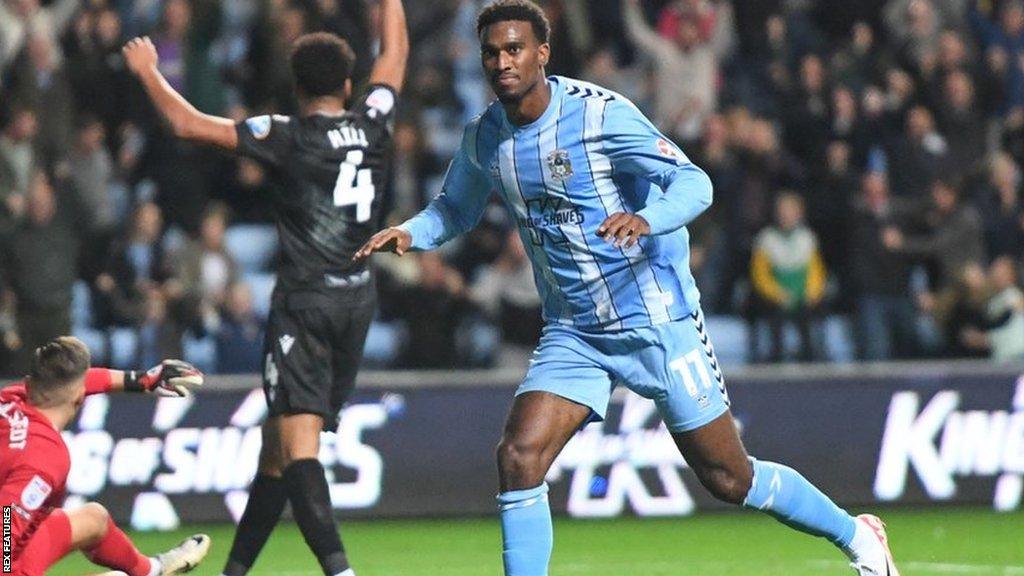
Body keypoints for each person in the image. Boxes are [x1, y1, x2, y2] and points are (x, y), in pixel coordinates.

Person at [355, 2, 900, 575]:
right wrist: (411, 232)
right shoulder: (484, 138)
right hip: (575, 331)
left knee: (728, 477)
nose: (501, 62)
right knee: (519, 457)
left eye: (514, 49)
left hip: (655, 320)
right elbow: (454, 209)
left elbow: (694, 181)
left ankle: (858, 536)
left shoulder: (599, 116)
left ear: (542, 53)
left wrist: (649, 218)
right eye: (491, 52)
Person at [122, 0, 409, 573]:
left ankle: (341, 571)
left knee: (299, 449)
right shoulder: (373, 121)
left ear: (296, 88)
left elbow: (187, 124)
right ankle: (235, 572)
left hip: (305, 305)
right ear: (349, 84)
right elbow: (395, 53)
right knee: (276, 453)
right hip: (357, 302)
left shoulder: (286, 134)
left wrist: (149, 72)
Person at [0, 336, 208, 576]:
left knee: (93, 519)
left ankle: (153, 571)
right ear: (79, 396)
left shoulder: (11, 398)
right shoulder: (44, 458)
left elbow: (78, 381)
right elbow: (6, 521)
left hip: (15, 541)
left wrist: (144, 379)